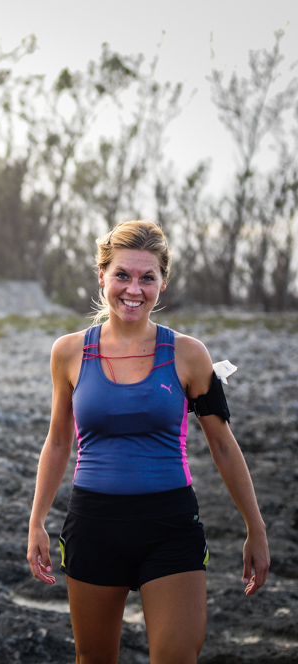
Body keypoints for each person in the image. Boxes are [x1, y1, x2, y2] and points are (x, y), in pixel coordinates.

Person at [26, 220, 270, 663]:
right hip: (94, 525)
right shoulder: (69, 352)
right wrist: (36, 520)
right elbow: (58, 442)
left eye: (147, 277)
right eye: (122, 274)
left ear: (162, 282)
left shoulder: (188, 355)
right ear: (102, 276)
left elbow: (222, 445)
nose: (133, 289)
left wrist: (256, 528)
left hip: (170, 526)